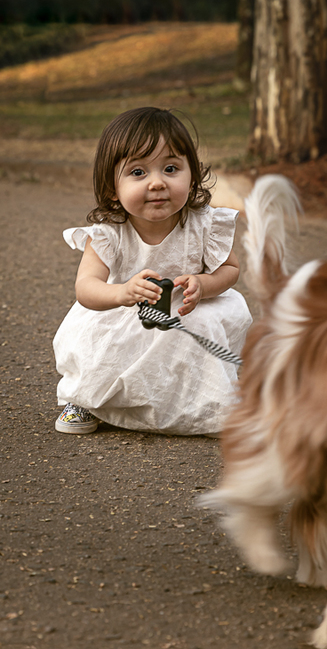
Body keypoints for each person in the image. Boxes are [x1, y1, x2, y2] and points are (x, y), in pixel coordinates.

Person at [53, 107, 252, 435]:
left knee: (207, 325)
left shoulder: (203, 223)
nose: (157, 182)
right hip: (126, 312)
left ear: (192, 175)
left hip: (185, 311)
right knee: (96, 337)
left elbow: (231, 268)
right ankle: (88, 398)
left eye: (171, 168)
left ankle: (208, 400)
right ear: (110, 189)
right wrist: (121, 292)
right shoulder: (110, 232)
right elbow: (86, 287)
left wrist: (205, 283)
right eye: (138, 173)